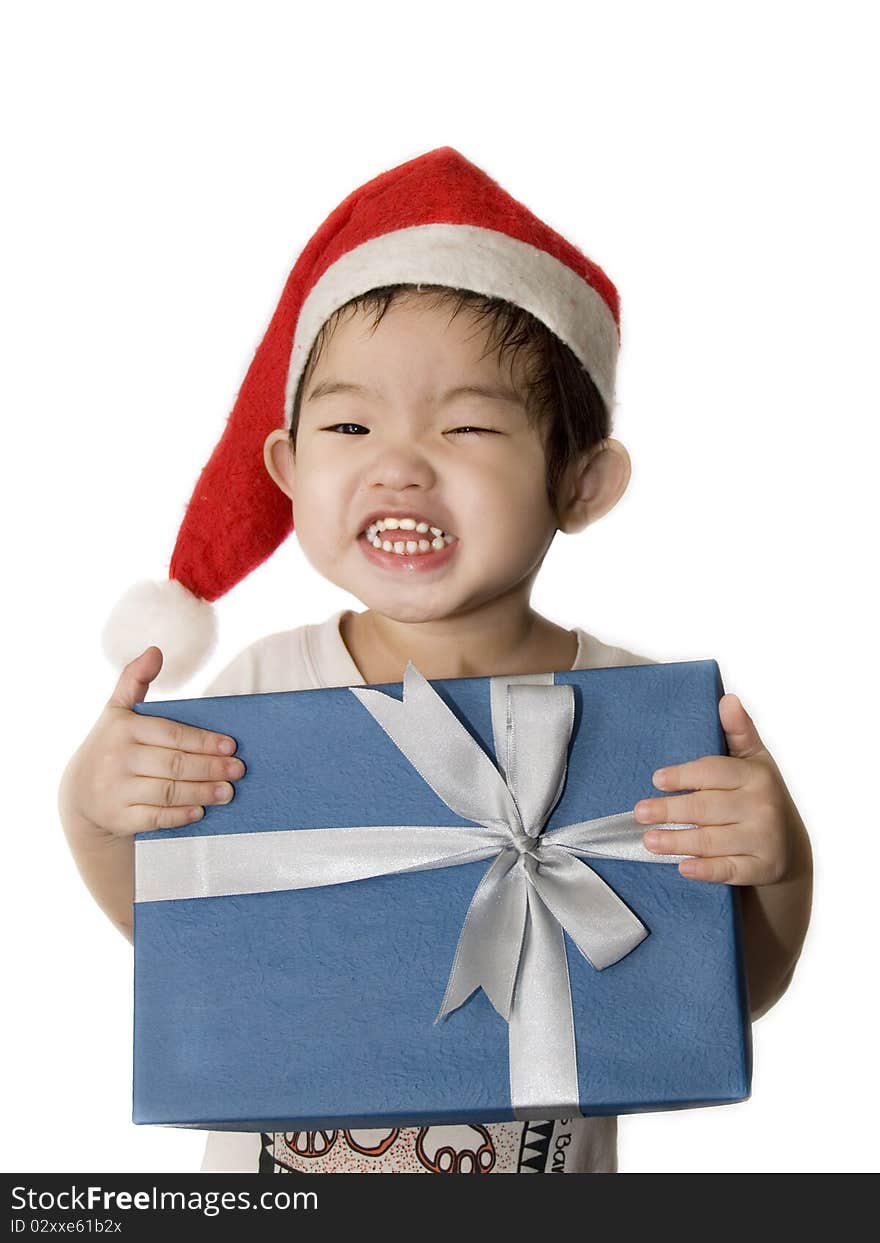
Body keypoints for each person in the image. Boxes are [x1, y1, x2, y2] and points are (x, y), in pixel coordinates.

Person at [57, 147, 813, 1174]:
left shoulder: (639, 715)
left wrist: (775, 864)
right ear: (288, 469)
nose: (398, 461)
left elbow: (713, 993)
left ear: (581, 483)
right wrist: (97, 809)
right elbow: (184, 942)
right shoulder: (262, 695)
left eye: (465, 424)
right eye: (348, 422)